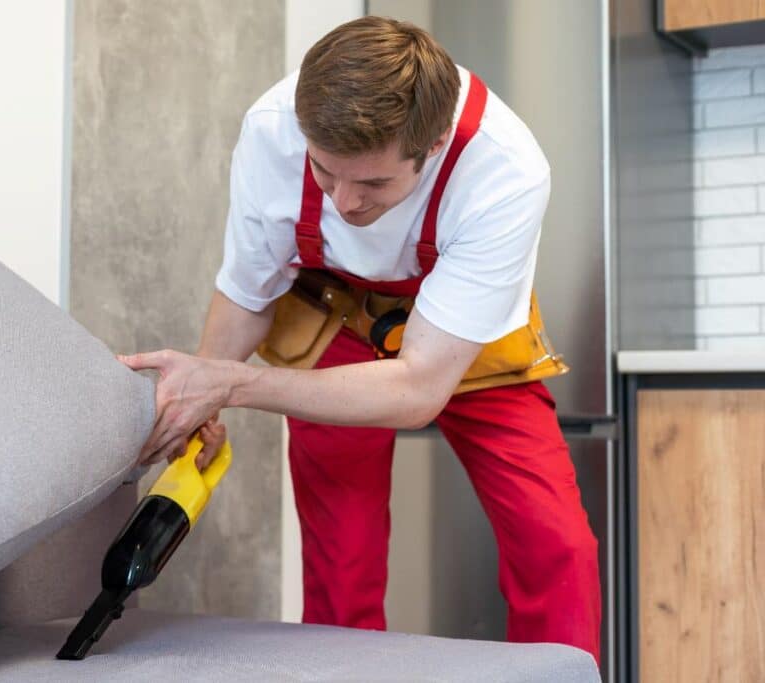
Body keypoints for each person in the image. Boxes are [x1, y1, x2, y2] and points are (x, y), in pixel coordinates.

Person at [118, 16, 601, 665]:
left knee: (557, 545)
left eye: (373, 183)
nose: (344, 201)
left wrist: (235, 383)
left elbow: (418, 387)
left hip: (461, 340)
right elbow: (247, 290)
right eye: (325, 171)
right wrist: (200, 393)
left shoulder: (503, 167)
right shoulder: (271, 131)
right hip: (332, 320)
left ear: (431, 147)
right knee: (342, 560)